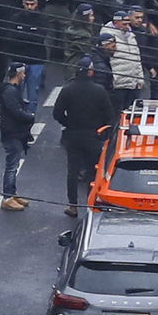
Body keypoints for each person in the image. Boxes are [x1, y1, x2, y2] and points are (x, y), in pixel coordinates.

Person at [52, 57, 113, 218]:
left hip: (73, 135)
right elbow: (109, 115)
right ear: (91, 72)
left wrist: (68, 123)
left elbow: (57, 113)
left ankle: (73, 205)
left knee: (72, 171)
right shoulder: (99, 90)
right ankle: (91, 202)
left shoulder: (68, 89)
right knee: (93, 171)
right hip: (93, 136)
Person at [0, 63, 34, 211]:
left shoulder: (12, 90)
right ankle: (7, 197)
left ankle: (12, 194)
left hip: (14, 133)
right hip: (12, 134)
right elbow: (16, 112)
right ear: (18, 74)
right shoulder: (10, 92)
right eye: (23, 73)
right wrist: (30, 116)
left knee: (14, 164)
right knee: (12, 166)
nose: (24, 76)